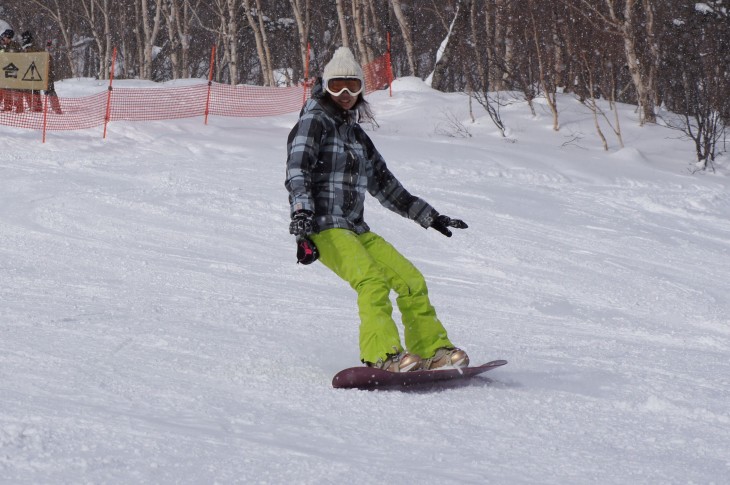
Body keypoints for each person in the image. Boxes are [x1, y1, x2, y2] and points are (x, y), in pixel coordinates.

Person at [285, 47, 470, 373]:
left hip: (355, 228)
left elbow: (385, 185)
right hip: (324, 227)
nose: (345, 94)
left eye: (353, 86)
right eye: (337, 86)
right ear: (325, 86)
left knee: (411, 280)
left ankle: (431, 350)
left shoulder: (356, 135)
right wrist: (301, 214)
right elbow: (297, 170)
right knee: (372, 282)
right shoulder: (313, 122)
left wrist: (428, 215)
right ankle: (382, 355)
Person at [0, 29, 24, 113]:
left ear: (8, 37)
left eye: (4, 37)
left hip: (15, 71)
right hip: (5, 71)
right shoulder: (3, 46)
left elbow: (21, 57)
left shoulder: (15, 46)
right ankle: (8, 106)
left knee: (16, 90)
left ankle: (19, 107)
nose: (3, 39)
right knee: (6, 89)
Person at [20, 31, 43, 112]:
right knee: (30, 90)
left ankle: (37, 107)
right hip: (29, 71)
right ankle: (33, 106)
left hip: (35, 71)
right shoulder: (27, 47)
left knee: (35, 90)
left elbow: (39, 58)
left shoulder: (34, 47)